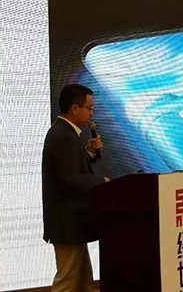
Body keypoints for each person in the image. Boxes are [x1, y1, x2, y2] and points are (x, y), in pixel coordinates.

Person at [42, 84, 110, 292]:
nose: (91, 113)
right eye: (89, 108)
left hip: (74, 225)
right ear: (74, 109)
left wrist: (89, 152)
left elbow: (70, 170)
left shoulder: (65, 132)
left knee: (84, 282)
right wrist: (102, 181)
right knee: (67, 282)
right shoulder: (63, 135)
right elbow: (68, 179)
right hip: (67, 224)